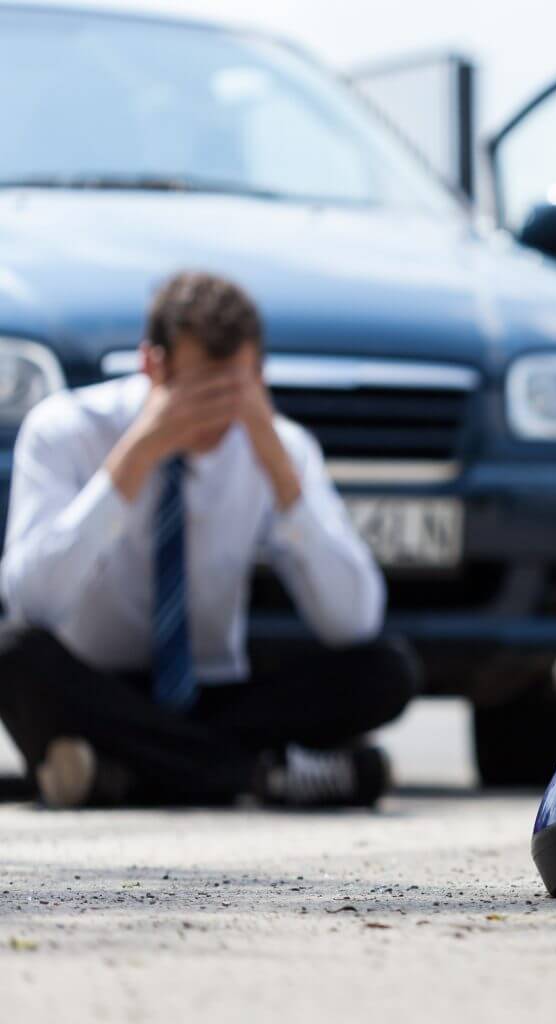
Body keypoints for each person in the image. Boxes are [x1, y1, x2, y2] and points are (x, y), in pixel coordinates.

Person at [0, 271, 419, 808]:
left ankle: (122, 774)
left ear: (259, 376)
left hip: (216, 693)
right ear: (153, 367)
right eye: (203, 392)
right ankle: (262, 776)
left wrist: (279, 471)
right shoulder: (65, 429)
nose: (218, 415)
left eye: (235, 390)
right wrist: (134, 459)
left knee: (386, 669)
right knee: (12, 653)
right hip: (101, 689)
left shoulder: (281, 446)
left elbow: (353, 620)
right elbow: (32, 600)